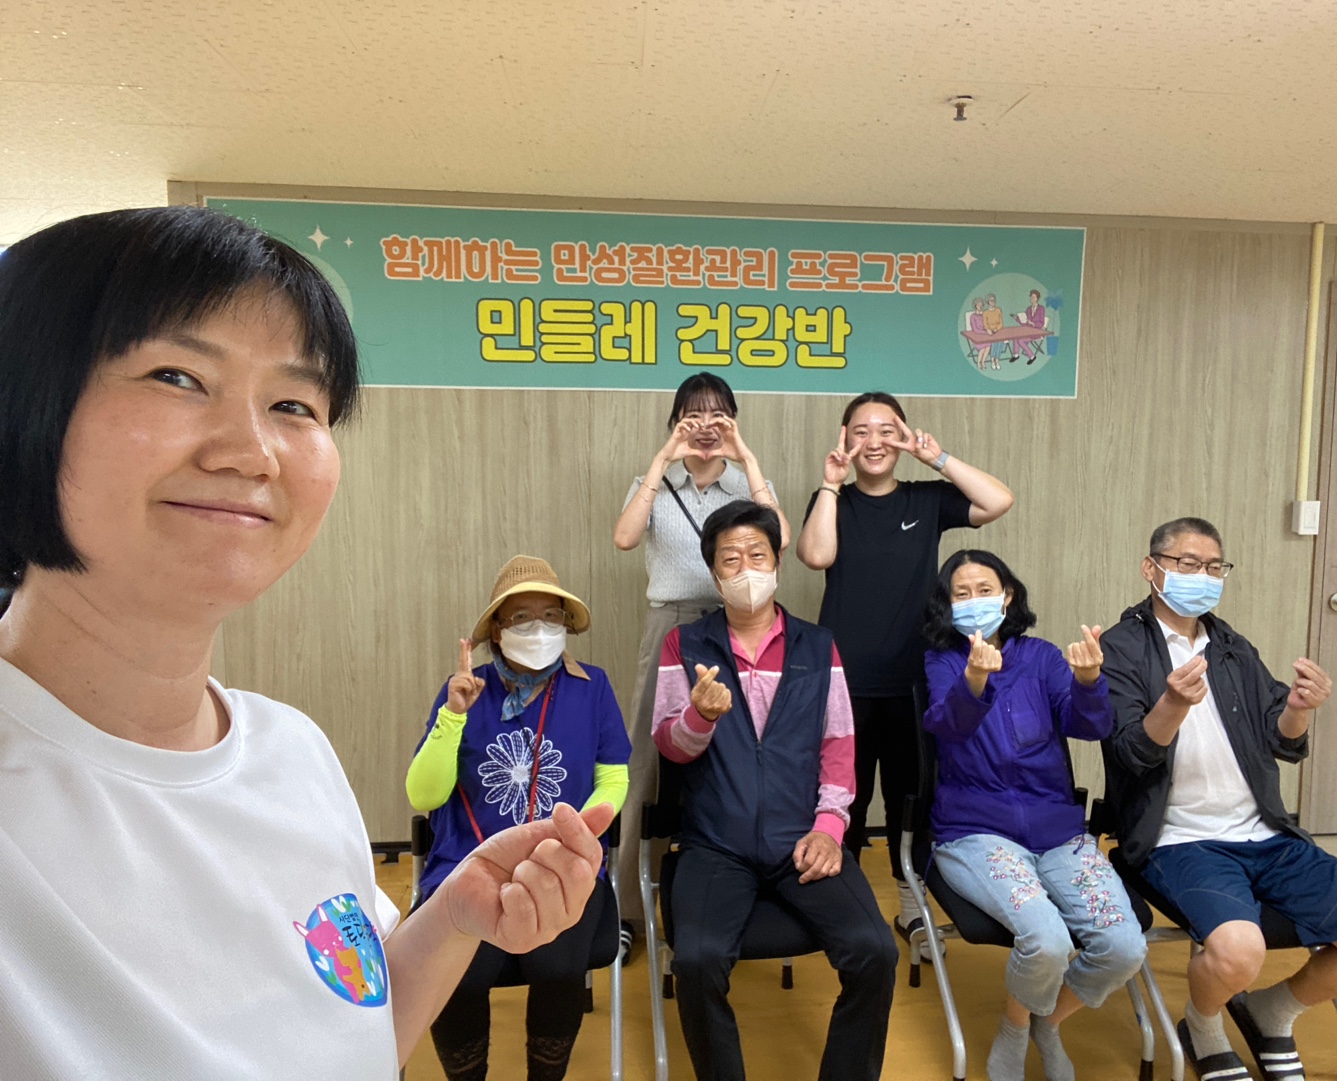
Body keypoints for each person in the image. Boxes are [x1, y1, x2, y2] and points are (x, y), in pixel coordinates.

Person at [0, 207, 609, 1079]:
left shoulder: (293, 750)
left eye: (294, 404)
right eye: (177, 376)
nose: (252, 452)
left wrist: (453, 916)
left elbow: (350, 1033)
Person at [1101, 517, 1337, 1081]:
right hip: (1179, 840)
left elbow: (1280, 738)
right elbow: (1129, 755)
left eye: (1214, 566)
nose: (1203, 575)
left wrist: (1299, 709)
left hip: (1265, 831)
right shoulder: (1120, 648)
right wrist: (1172, 704)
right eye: (1188, 563)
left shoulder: (1232, 647)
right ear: (1151, 568)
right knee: (1240, 950)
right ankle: (1203, 1026)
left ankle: (1272, 1012)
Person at [653, 500, 896, 1081]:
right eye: (730, 560)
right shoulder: (685, 645)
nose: (746, 570)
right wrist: (699, 717)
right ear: (714, 574)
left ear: (778, 563)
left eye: (757, 555)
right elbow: (670, 747)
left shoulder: (817, 645)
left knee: (875, 950)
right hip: (716, 844)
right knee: (697, 961)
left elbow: (839, 745)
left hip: (802, 839)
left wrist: (830, 828)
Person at [796, 390, 1013, 947]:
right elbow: (815, 556)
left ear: (903, 438)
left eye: (886, 430)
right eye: (861, 431)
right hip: (842, 681)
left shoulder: (926, 498)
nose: (874, 441)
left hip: (916, 681)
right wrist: (830, 483)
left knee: (909, 799)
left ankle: (911, 906)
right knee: (842, 797)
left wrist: (936, 458)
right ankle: (840, 908)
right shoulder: (832, 500)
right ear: (845, 439)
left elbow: (998, 500)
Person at [921, 550, 1145, 1081]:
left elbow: (1089, 726)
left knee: (1123, 947)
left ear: (1008, 596)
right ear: (947, 604)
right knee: (1047, 942)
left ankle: (1045, 1020)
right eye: (961, 593)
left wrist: (1088, 680)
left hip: (1057, 830)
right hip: (974, 831)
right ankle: (1015, 1028)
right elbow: (947, 726)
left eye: (984, 590)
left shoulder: (1041, 657)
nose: (974, 601)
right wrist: (975, 679)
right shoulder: (943, 660)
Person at [407, 555, 630, 1081]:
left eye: (551, 616)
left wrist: (579, 833)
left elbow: (613, 778)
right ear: (497, 631)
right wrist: (452, 717)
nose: (539, 628)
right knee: (459, 973)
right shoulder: (466, 690)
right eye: (522, 617)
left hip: (560, 863)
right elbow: (423, 793)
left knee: (558, 965)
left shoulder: (592, 687)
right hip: (467, 865)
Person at [611, 373, 789, 953]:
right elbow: (625, 538)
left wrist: (747, 459)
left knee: (737, 754)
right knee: (647, 760)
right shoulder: (656, 481)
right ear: (675, 421)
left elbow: (781, 541)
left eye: (719, 414)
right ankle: (627, 909)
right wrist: (663, 458)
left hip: (737, 622)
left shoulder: (746, 484)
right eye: (694, 414)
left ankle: (735, 897)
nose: (706, 425)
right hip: (670, 621)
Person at [1014, 290, 1047, 363]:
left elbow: (1041, 323)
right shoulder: (1028, 309)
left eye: (1033, 297)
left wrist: (1033, 323)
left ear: (1037, 298)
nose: (1032, 298)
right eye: (1031, 297)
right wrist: (1017, 319)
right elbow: (1025, 323)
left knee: (1020, 340)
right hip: (1028, 331)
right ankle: (1016, 355)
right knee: (1016, 337)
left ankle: (1032, 356)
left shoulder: (1041, 308)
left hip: (1037, 332)